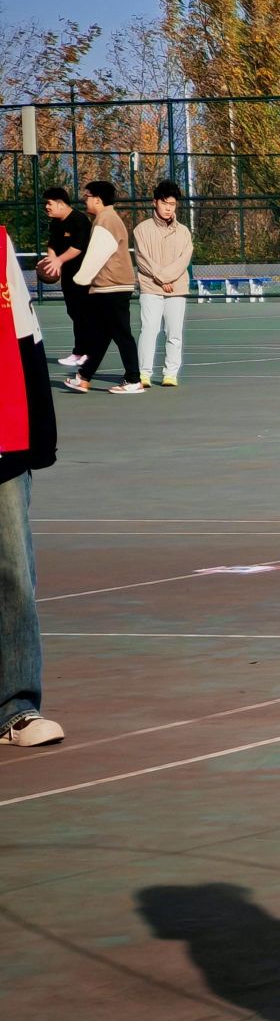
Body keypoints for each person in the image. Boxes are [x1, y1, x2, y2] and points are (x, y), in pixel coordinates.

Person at [0, 225, 62, 746]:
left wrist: (40, 436)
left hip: (3, 437)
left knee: (13, 572)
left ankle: (15, 707)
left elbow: (26, 337)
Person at [64, 180, 144, 395]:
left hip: (111, 286)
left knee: (121, 334)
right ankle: (84, 377)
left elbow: (96, 256)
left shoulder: (105, 220)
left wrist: (79, 280)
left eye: (87, 196)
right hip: (111, 286)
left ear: (97, 199)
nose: (85, 200)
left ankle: (133, 380)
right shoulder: (108, 218)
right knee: (101, 335)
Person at [133, 179, 192, 387]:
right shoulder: (141, 230)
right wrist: (161, 279)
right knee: (149, 330)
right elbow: (142, 259)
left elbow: (184, 259)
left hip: (177, 288)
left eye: (172, 204)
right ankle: (144, 374)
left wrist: (167, 278)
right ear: (155, 202)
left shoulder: (184, 231)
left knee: (174, 333)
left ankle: (170, 374)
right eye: (165, 203)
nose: (168, 208)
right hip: (150, 288)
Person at [33, 187, 92, 365]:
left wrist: (58, 260)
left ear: (60, 204)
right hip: (68, 274)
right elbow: (52, 244)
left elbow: (78, 247)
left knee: (84, 314)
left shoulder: (79, 220)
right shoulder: (55, 222)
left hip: (84, 274)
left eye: (49, 203)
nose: (46, 207)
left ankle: (88, 352)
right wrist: (50, 260)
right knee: (73, 312)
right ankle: (79, 352)